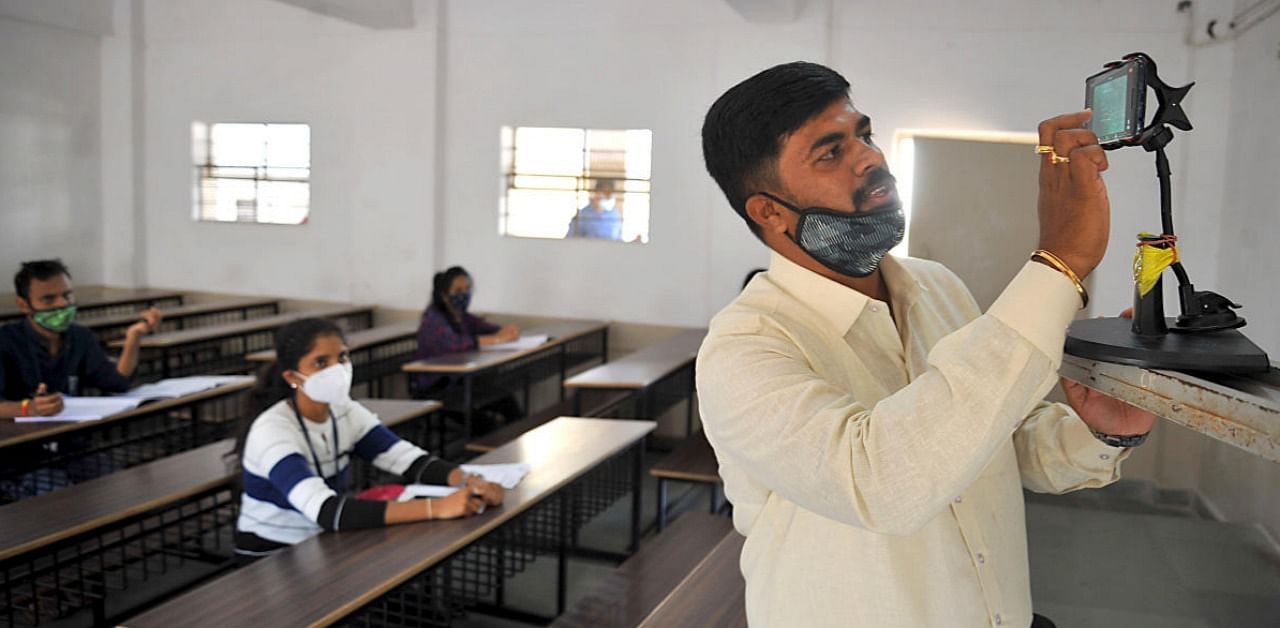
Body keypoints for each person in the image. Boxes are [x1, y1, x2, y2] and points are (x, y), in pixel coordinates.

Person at [697, 62, 1156, 628]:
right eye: (830, 152)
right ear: (769, 211)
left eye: (863, 134)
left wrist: (1099, 432)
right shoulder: (745, 348)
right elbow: (882, 485)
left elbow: (996, 447)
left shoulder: (935, 285)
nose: (869, 158)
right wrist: (1059, 264)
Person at [232, 318, 503, 563]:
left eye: (342, 358)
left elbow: (407, 459)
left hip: (319, 538)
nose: (336, 370)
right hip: (270, 554)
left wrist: (469, 482)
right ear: (292, 377)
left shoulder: (344, 410)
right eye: (321, 363)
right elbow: (327, 511)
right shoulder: (273, 430)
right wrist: (437, 508)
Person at [0, 259, 162, 418]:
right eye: (48, 299)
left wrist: (134, 338)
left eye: (67, 295)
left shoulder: (80, 336)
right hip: (19, 437)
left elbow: (118, 382)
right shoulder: (6, 341)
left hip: (69, 433)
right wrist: (29, 408)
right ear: (23, 305)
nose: (62, 304)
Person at [414, 266, 523, 426]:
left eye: (467, 289)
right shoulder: (433, 321)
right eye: (458, 291)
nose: (464, 295)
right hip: (438, 388)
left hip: (461, 383)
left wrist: (505, 330)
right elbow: (457, 344)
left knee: (507, 402)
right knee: (484, 424)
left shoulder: (462, 317)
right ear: (444, 295)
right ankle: (485, 448)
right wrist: (497, 339)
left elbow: (485, 328)